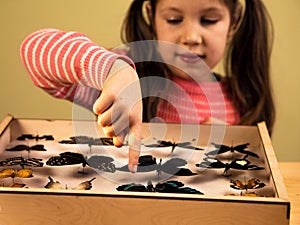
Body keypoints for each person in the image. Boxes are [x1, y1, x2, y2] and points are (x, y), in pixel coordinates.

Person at [20, 0, 275, 173]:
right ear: (151, 15)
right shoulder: (128, 82)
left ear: (234, 22)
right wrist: (112, 70)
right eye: (174, 19)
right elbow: (34, 50)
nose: (191, 37)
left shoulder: (242, 98)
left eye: (209, 20)